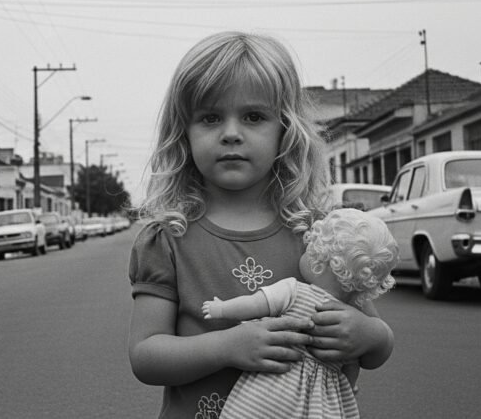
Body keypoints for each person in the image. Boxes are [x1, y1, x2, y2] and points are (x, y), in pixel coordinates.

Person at [128, 32, 395, 419]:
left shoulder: (318, 233)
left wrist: (369, 335)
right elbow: (146, 355)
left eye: (254, 116)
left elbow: (378, 343)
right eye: (210, 117)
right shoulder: (168, 238)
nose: (231, 132)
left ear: (285, 130)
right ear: (183, 132)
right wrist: (227, 346)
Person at [202, 208, 399, 418]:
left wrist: (222, 308)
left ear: (319, 262)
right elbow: (352, 367)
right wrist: (346, 390)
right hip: (321, 404)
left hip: (272, 390)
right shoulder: (351, 317)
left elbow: (255, 304)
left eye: (309, 249)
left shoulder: (294, 290)